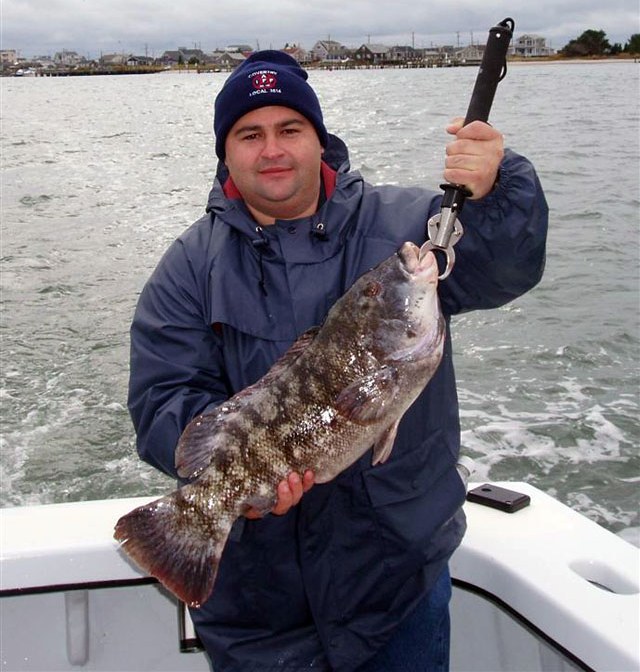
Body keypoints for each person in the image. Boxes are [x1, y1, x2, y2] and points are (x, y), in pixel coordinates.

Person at [128, 50, 548, 672]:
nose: (273, 150)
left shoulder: (410, 229)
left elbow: (506, 268)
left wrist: (500, 183)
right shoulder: (188, 269)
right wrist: (244, 477)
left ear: (318, 140)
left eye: (290, 129)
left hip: (396, 586)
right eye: (251, 134)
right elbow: (163, 403)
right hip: (259, 609)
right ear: (227, 153)